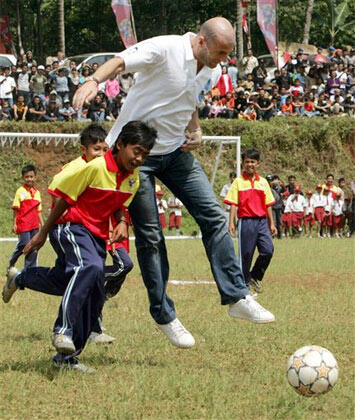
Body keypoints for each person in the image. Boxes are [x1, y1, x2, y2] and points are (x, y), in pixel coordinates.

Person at [73, 17, 276, 349]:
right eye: (220, 52)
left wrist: (194, 125)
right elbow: (121, 60)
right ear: (200, 41)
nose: (223, 61)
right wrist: (93, 81)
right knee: (151, 236)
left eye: (227, 54)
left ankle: (237, 297)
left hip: (175, 153)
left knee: (213, 215)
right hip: (136, 157)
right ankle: (164, 315)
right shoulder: (165, 47)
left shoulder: (209, 66)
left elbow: (187, 96)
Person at [3, 121, 157, 373]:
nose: (140, 158)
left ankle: (65, 358)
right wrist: (43, 233)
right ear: (120, 145)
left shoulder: (133, 179)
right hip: (70, 227)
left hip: (95, 235)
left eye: (145, 154)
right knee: (90, 267)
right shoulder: (94, 167)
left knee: (88, 291)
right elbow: (63, 199)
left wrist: (120, 221)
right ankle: (62, 330)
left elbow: (120, 203)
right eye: (137, 151)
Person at [225, 148, 277, 295]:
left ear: (258, 164)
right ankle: (244, 284)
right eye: (247, 162)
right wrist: (231, 222)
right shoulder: (238, 182)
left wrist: (271, 223)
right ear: (243, 163)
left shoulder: (263, 182)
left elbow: (268, 204)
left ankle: (255, 276)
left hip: (261, 222)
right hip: (246, 222)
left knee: (268, 250)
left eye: (252, 162)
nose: (250, 164)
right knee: (246, 254)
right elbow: (234, 203)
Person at [8, 165, 43, 270]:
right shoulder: (20, 191)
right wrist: (14, 224)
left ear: (35, 177)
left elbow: (39, 211)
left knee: (33, 247)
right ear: (23, 178)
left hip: (34, 225)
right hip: (23, 224)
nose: (29, 179)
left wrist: (43, 225)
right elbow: (15, 209)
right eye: (27, 177)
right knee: (24, 244)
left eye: (31, 176)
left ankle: (29, 272)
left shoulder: (37, 193)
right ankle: (12, 261)